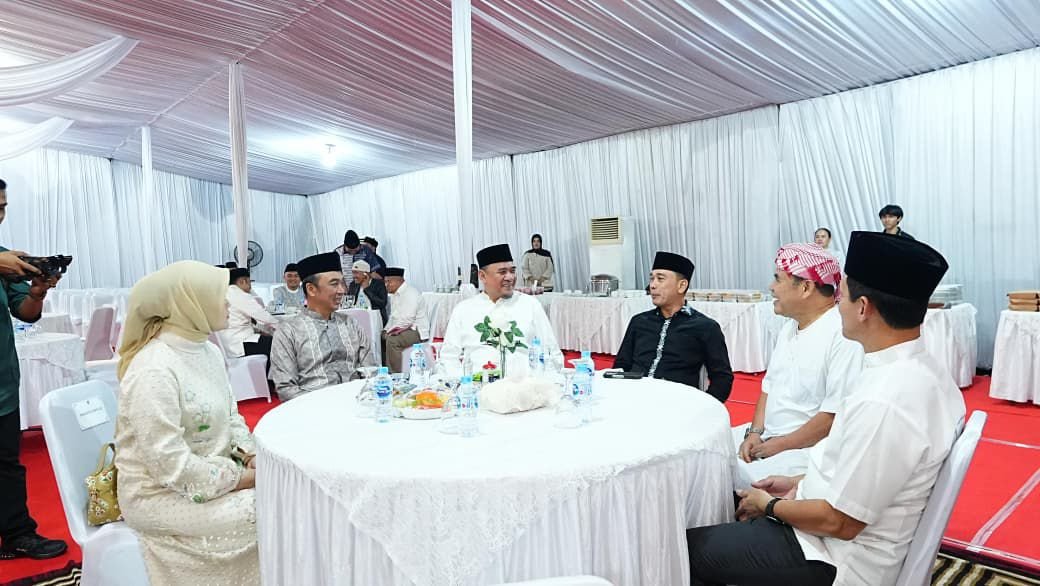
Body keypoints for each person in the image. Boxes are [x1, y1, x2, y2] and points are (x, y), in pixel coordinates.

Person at [687, 232, 965, 586]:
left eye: (842, 296)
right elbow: (852, 472)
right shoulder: (920, 371)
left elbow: (840, 522)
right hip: (825, 525)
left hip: (833, 556)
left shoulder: (885, 399)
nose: (837, 305)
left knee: (683, 550)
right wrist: (797, 484)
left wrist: (768, 506)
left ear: (863, 308)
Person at [114, 261, 259, 585]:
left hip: (216, 472)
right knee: (266, 510)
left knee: (280, 500)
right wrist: (245, 479)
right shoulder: (154, 369)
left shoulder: (208, 351)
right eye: (220, 294)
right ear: (191, 303)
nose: (228, 302)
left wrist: (250, 455)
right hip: (156, 494)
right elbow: (170, 465)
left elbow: (231, 415)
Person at [733, 243, 863, 489]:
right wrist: (754, 433)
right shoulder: (788, 328)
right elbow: (768, 387)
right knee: (708, 453)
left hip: (806, 450)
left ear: (805, 287)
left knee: (736, 481)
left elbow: (833, 416)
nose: (771, 287)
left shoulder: (842, 335)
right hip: (768, 437)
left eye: (778, 279)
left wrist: (781, 445)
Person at [0, 179, 68, 561]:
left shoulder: (5, 259)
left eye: (2, 208)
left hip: (3, 383)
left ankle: (18, 535)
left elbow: (25, 313)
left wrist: (37, 292)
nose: (0, 216)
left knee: (8, 466)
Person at [613, 252, 733, 402]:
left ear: (681, 286)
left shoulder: (705, 327)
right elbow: (621, 366)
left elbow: (722, 378)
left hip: (676, 404)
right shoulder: (639, 321)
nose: (653, 285)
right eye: (652, 278)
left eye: (660, 279)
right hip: (633, 399)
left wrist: (704, 407)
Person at [440, 244, 563, 376]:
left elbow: (552, 353)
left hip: (523, 384)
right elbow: (448, 358)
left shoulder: (530, 305)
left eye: (512, 271)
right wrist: (464, 383)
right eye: (502, 272)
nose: (510, 277)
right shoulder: (464, 310)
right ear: (482, 276)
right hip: (478, 384)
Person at [269, 252, 377, 401]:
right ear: (311, 289)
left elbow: (370, 370)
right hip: (313, 406)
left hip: (356, 402)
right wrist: (321, 407)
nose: (342, 290)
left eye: (342, 283)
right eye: (334, 284)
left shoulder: (350, 323)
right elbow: (286, 389)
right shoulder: (289, 331)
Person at [217, 268, 277, 361]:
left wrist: (260, 330)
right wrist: (284, 328)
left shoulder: (224, 293)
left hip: (228, 344)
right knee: (279, 344)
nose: (250, 287)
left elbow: (238, 321)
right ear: (243, 281)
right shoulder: (239, 294)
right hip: (241, 342)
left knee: (269, 340)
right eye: (250, 282)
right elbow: (264, 317)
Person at [382, 267, 431, 372]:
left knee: (393, 340)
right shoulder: (395, 295)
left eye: (388, 281)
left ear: (399, 280)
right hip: (404, 329)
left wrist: (390, 333)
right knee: (382, 336)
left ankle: (398, 374)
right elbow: (393, 317)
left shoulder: (410, 293)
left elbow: (407, 320)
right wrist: (385, 330)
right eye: (385, 282)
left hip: (416, 331)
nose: (386, 285)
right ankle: (387, 370)